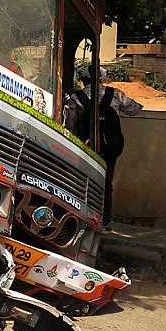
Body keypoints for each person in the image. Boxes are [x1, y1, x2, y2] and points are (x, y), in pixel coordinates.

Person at [64, 65, 143, 233]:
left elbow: (70, 126)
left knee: (83, 182)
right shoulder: (115, 94)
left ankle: (82, 219)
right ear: (102, 78)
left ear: (84, 79)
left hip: (86, 149)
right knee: (106, 184)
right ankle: (105, 222)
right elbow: (134, 109)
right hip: (109, 148)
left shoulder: (76, 98)